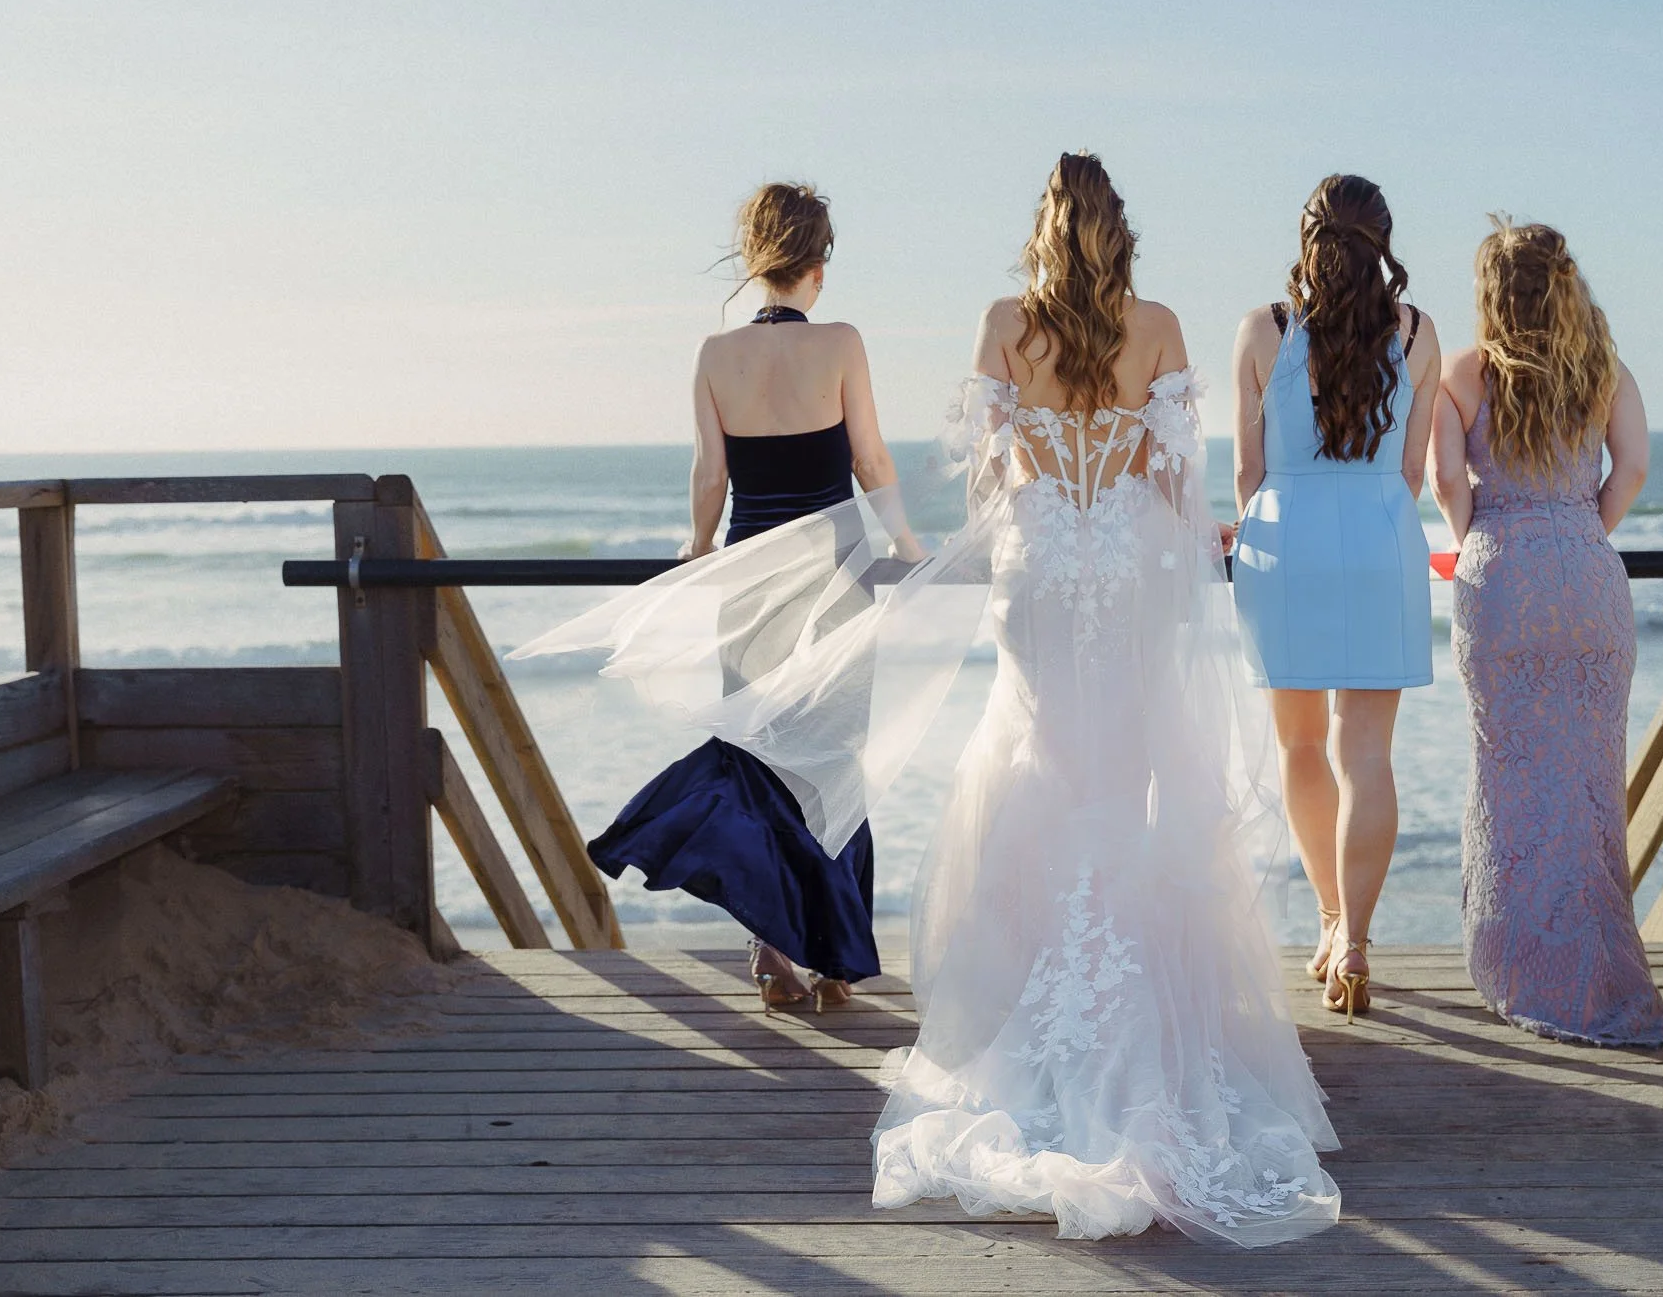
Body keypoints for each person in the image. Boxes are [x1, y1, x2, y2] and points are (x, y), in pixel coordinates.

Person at [519, 152, 1341, 1245]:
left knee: (1032, 761)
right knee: (1134, 771)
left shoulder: (1004, 321)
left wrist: (1005, 521)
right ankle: (1133, 998)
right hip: (1127, 573)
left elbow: (991, 470)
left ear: (1044, 230)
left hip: (1037, 571)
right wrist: (1190, 538)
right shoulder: (1159, 324)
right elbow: (1173, 473)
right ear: (1118, 229)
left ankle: (996, 990)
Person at [584, 181, 914, 1011]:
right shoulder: (840, 342)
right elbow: (870, 460)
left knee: (761, 756)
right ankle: (834, 957)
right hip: (834, 581)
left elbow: (710, 475)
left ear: (753, 259)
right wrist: (909, 548)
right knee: (831, 766)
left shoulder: (713, 354)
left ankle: (773, 949)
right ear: (819, 263)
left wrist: (696, 551)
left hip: (747, 583)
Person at [1429, 216, 1663, 1047]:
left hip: (1501, 576)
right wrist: (1581, 524)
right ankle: (1600, 971)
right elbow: (1634, 467)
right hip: (1584, 571)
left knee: (1510, 776)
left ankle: (1522, 969)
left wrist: (1480, 534)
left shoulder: (1465, 372)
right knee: (1588, 785)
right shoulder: (1606, 368)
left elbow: (1443, 478)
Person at [1229, 174, 1439, 1021]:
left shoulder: (1263, 330)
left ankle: (1326, 915)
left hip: (1285, 545)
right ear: (1382, 239)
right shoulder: (1419, 333)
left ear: (1307, 233)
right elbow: (1416, 474)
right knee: (1367, 757)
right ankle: (1354, 937)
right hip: (1382, 541)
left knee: (1302, 749)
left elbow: (1247, 475)